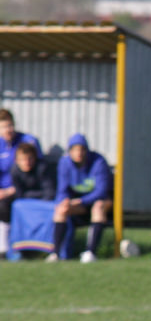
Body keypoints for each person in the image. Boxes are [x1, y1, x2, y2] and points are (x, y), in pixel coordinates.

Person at [46, 133, 113, 263]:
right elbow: (62, 189)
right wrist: (65, 201)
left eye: (82, 149)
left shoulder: (98, 161)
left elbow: (101, 190)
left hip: (100, 202)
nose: (79, 153)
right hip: (79, 205)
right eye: (75, 149)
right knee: (61, 209)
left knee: (98, 207)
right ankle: (55, 253)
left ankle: (90, 252)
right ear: (70, 151)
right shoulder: (64, 163)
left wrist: (81, 201)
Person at [0, 108, 43, 257]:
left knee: (4, 205)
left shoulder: (28, 141)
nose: (8, 130)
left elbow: (39, 170)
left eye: (10, 125)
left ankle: (5, 249)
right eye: (4, 127)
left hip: (23, 189)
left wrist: (10, 190)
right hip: (4, 191)